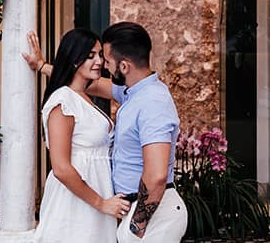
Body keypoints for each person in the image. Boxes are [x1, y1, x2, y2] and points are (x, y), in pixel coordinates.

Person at [26, 23, 187, 242]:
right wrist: (43, 65)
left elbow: (156, 176)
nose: (102, 64)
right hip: (105, 205)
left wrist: (136, 227)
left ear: (124, 67)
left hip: (150, 213)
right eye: (93, 56)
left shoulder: (151, 101)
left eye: (105, 58)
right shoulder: (133, 93)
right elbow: (86, 83)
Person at [33, 28, 132, 241]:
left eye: (99, 55)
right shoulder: (63, 101)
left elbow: (115, 89)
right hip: (77, 200)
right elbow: (60, 168)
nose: (99, 61)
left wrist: (43, 66)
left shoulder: (82, 95)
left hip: (96, 194)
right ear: (73, 58)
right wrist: (101, 203)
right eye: (90, 56)